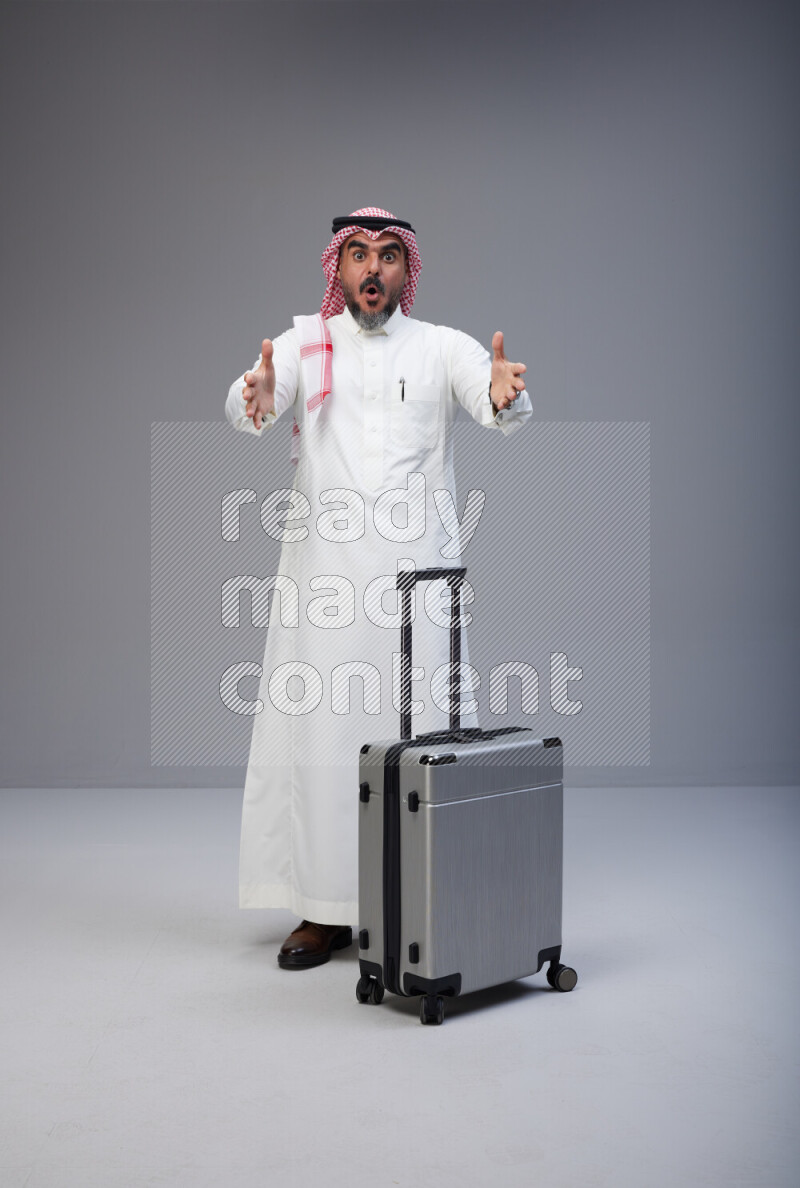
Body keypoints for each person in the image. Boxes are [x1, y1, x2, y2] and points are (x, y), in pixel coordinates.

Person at [224, 207, 532, 968]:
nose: (372, 269)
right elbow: (256, 400)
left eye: (388, 256)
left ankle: (417, 898)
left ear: (406, 270)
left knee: (420, 732)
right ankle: (323, 911)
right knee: (324, 740)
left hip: (415, 582)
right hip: (324, 582)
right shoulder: (306, 341)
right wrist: (254, 394)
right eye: (357, 254)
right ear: (338, 267)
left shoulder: (440, 348)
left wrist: (502, 393)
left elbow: (500, 408)